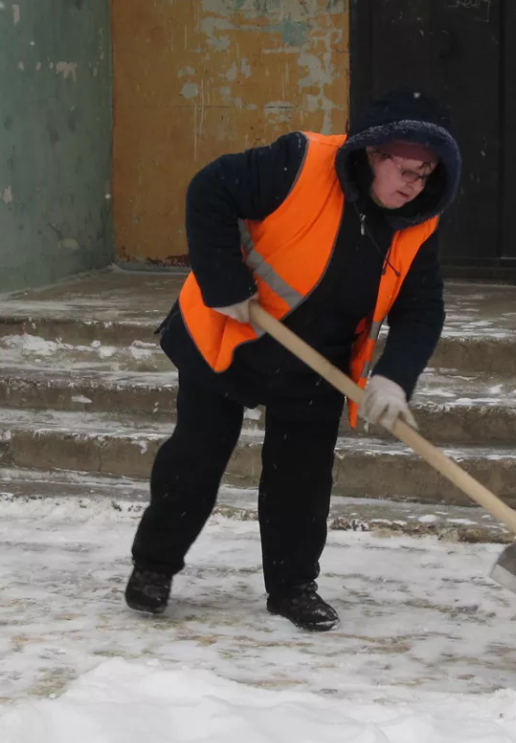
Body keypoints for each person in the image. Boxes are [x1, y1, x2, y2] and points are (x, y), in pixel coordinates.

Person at [124, 85, 462, 631]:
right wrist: (223, 281)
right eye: (405, 169)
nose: (413, 184)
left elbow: (422, 307)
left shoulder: (418, 220)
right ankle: (153, 567)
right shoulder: (301, 163)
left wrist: (395, 378)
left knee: (302, 479)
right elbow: (210, 190)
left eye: (425, 174)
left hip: (317, 358)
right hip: (231, 332)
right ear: (372, 154)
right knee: (196, 459)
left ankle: (293, 587)